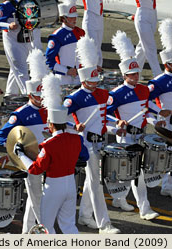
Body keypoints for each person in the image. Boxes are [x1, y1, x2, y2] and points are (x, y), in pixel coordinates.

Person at [13, 73, 89, 234]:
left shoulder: (48, 145)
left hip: (54, 186)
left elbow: (35, 169)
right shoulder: (76, 139)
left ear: (50, 124)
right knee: (69, 226)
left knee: (46, 227)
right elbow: (84, 157)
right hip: (71, 185)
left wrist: (21, 155)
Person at [63, 36, 121, 234]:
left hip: (99, 142)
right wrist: (75, 125)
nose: (95, 85)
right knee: (96, 183)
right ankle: (104, 224)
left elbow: (105, 120)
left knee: (92, 181)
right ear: (83, 80)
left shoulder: (103, 94)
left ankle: (85, 215)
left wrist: (116, 126)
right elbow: (60, 120)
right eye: (91, 81)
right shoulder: (74, 98)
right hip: (83, 144)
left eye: (96, 81)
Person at [107, 30, 166, 220]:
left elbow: (147, 110)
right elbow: (104, 115)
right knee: (131, 172)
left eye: (136, 73)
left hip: (140, 134)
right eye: (131, 74)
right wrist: (117, 123)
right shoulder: (115, 94)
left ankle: (123, 200)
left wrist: (157, 118)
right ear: (124, 75)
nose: (135, 76)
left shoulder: (143, 89)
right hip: (124, 136)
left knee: (134, 171)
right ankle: (143, 207)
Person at [0, 49, 48, 233]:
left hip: (48, 158)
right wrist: (17, 150)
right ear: (31, 95)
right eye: (39, 96)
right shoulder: (21, 114)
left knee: (38, 199)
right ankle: (43, 231)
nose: (42, 100)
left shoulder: (49, 109)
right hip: (31, 161)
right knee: (37, 199)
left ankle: (27, 232)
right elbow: (2, 135)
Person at [0, 0, 42, 96]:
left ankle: (10, 95)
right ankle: (29, 96)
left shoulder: (31, 3)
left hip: (27, 39)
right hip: (13, 41)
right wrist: (8, 25)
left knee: (16, 68)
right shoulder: (6, 5)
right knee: (21, 70)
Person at [148, 18, 172, 197]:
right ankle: (166, 185)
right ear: (167, 64)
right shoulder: (158, 82)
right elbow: (145, 101)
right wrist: (158, 112)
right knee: (168, 153)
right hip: (168, 121)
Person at [45, 0, 85, 86]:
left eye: (75, 17)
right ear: (63, 19)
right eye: (71, 17)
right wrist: (66, 71)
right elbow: (48, 61)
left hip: (80, 77)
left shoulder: (81, 32)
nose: (74, 20)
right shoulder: (56, 36)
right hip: (63, 79)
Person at [134, 0, 162, 78]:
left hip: (153, 14)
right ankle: (158, 75)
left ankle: (134, 72)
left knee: (142, 47)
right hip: (142, 15)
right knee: (150, 47)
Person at [81, 0, 104, 69]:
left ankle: (97, 72)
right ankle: (91, 73)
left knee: (98, 48)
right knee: (92, 50)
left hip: (99, 19)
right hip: (90, 19)